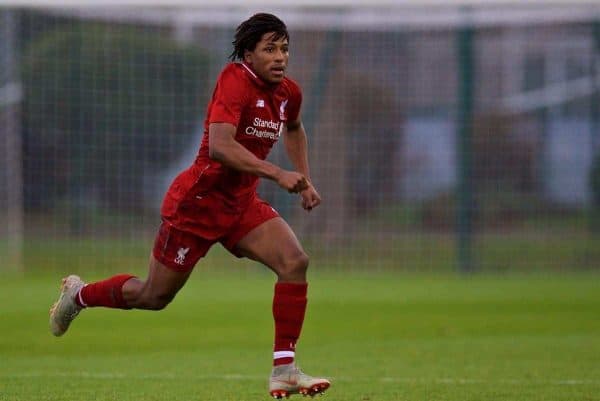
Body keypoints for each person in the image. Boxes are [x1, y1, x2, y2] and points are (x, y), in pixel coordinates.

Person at [49, 12, 331, 399]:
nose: (280, 57)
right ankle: (78, 295)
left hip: (240, 204)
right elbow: (220, 145)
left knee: (294, 261)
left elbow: (296, 127)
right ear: (248, 54)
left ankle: (284, 368)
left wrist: (304, 179)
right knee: (153, 296)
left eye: (284, 48)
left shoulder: (288, 93)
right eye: (270, 49)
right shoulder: (235, 80)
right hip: (197, 205)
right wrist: (277, 173)